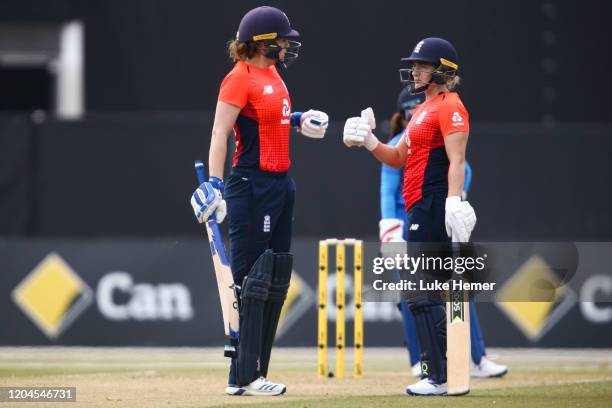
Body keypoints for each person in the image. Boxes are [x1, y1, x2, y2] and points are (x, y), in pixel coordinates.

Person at [190, 6, 328, 396]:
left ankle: (255, 373)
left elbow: (271, 119)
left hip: (282, 184)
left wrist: (298, 120)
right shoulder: (238, 78)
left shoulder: (275, 76)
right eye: (282, 40)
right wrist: (215, 184)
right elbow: (221, 133)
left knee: (276, 277)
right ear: (264, 42)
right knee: (253, 279)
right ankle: (244, 376)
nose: (287, 45)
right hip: (250, 184)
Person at [344, 37, 477, 396]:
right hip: (418, 204)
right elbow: (396, 158)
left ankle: (439, 375)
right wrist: (369, 141)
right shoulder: (420, 110)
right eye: (415, 64)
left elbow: (457, 160)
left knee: (425, 291)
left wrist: (453, 201)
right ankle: (437, 372)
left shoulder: (451, 106)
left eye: (421, 65)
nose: (415, 70)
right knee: (420, 292)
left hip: (434, 203)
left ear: (442, 70)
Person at [381, 90, 507, 380]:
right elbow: (388, 190)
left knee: (457, 291)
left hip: (436, 216)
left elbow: (464, 167)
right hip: (405, 226)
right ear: (403, 114)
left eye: (418, 108)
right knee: (414, 296)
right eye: (410, 109)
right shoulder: (398, 142)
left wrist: (456, 197)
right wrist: (390, 229)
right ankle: (420, 359)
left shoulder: (438, 133)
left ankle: (476, 357)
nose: (416, 113)